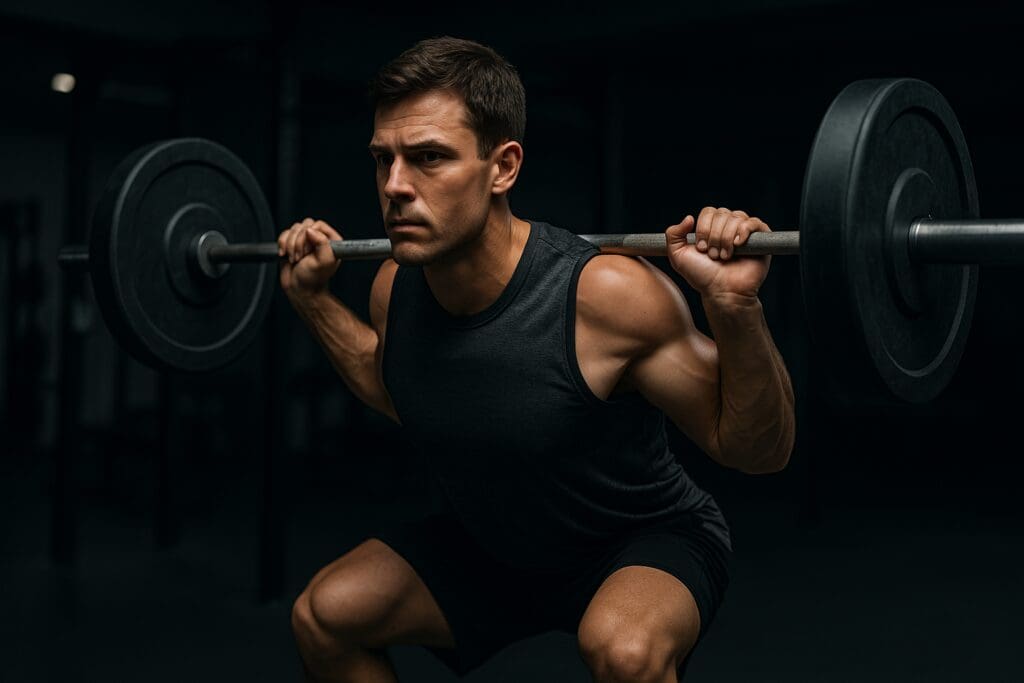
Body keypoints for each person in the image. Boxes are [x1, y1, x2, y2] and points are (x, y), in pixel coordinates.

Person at [279, 36, 794, 683]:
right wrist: (313, 302)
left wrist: (733, 305)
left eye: (428, 158)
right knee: (324, 615)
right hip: (495, 547)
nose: (396, 186)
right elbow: (400, 389)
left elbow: (758, 449)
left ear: (504, 167)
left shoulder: (606, 295)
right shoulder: (394, 287)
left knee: (625, 652)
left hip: (635, 541)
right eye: (384, 159)